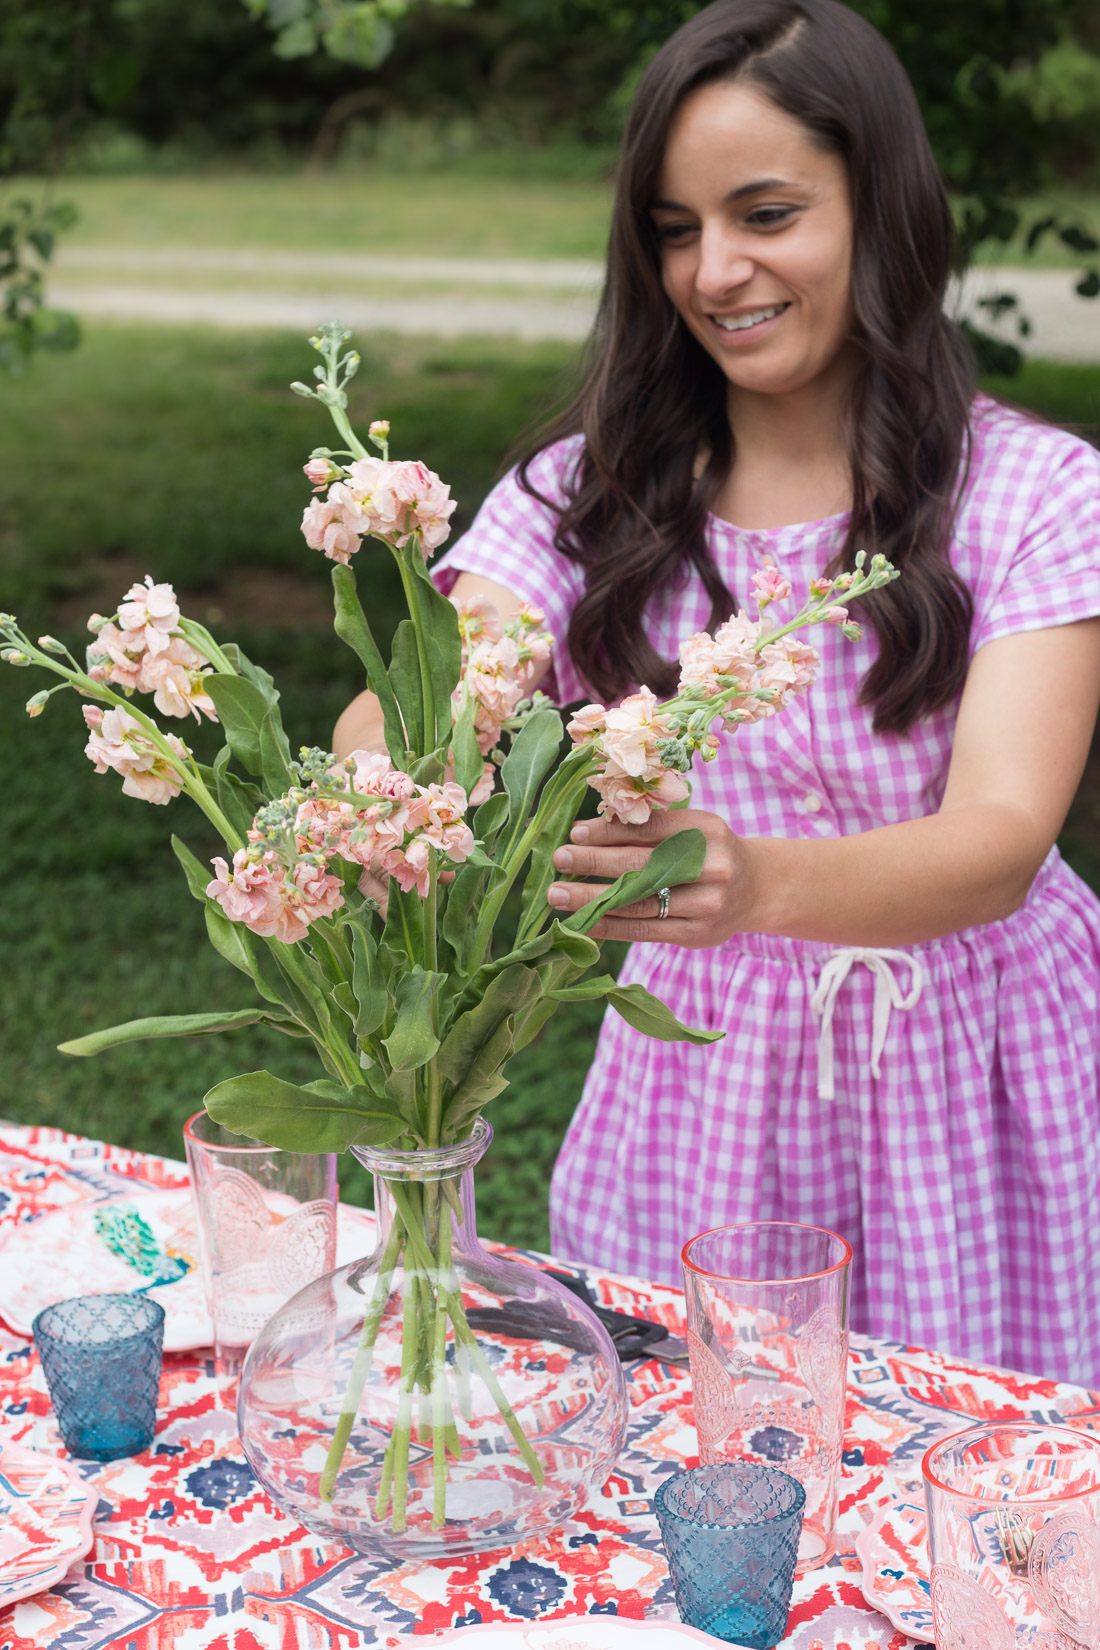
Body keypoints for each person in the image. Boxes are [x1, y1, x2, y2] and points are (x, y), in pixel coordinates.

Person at [335, 0, 1100, 1384]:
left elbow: (1003, 837)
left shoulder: (1034, 492)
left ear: (885, 207)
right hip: (710, 1072)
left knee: (980, 1475)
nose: (718, 269)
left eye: (766, 213)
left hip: (980, 1072)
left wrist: (754, 886)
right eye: (676, 230)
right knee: (708, 1468)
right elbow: (449, 687)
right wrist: (385, 773)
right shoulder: (591, 495)